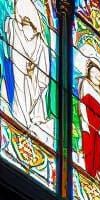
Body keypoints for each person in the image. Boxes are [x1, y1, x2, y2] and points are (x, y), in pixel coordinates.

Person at [7, 0, 57, 137]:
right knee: (21, 86)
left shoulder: (40, 41)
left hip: (35, 49)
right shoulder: (16, 23)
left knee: (37, 85)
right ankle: (21, 118)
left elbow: (39, 29)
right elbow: (19, 20)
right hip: (20, 47)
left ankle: (33, 117)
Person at [76, 59, 100, 179]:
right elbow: (83, 107)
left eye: (98, 74)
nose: (96, 76)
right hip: (91, 128)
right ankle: (90, 173)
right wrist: (97, 127)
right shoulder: (86, 86)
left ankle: (99, 173)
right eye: (92, 74)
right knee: (90, 152)